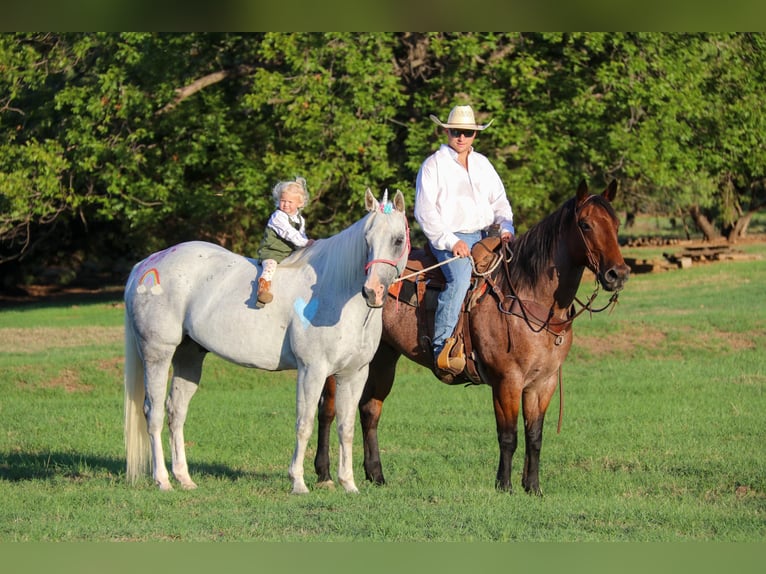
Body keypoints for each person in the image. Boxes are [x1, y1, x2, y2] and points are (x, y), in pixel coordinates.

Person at [414, 104, 515, 376]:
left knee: (512, 275)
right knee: (459, 279)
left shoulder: (483, 164)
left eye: (467, 133)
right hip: (447, 238)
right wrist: (450, 242)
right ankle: (442, 347)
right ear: (447, 131)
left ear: (474, 135)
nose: (461, 137)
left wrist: (505, 227)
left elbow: (499, 202)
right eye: (457, 132)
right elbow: (425, 212)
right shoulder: (433, 165)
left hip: (484, 237)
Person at [256, 177, 314, 305]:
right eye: (283, 201)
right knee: (270, 266)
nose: (286, 205)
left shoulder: (300, 219)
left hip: (288, 253)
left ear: (299, 204)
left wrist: (308, 245)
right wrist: (305, 243)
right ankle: (262, 289)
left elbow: (301, 235)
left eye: (289, 202)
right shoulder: (278, 216)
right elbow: (290, 234)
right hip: (272, 252)